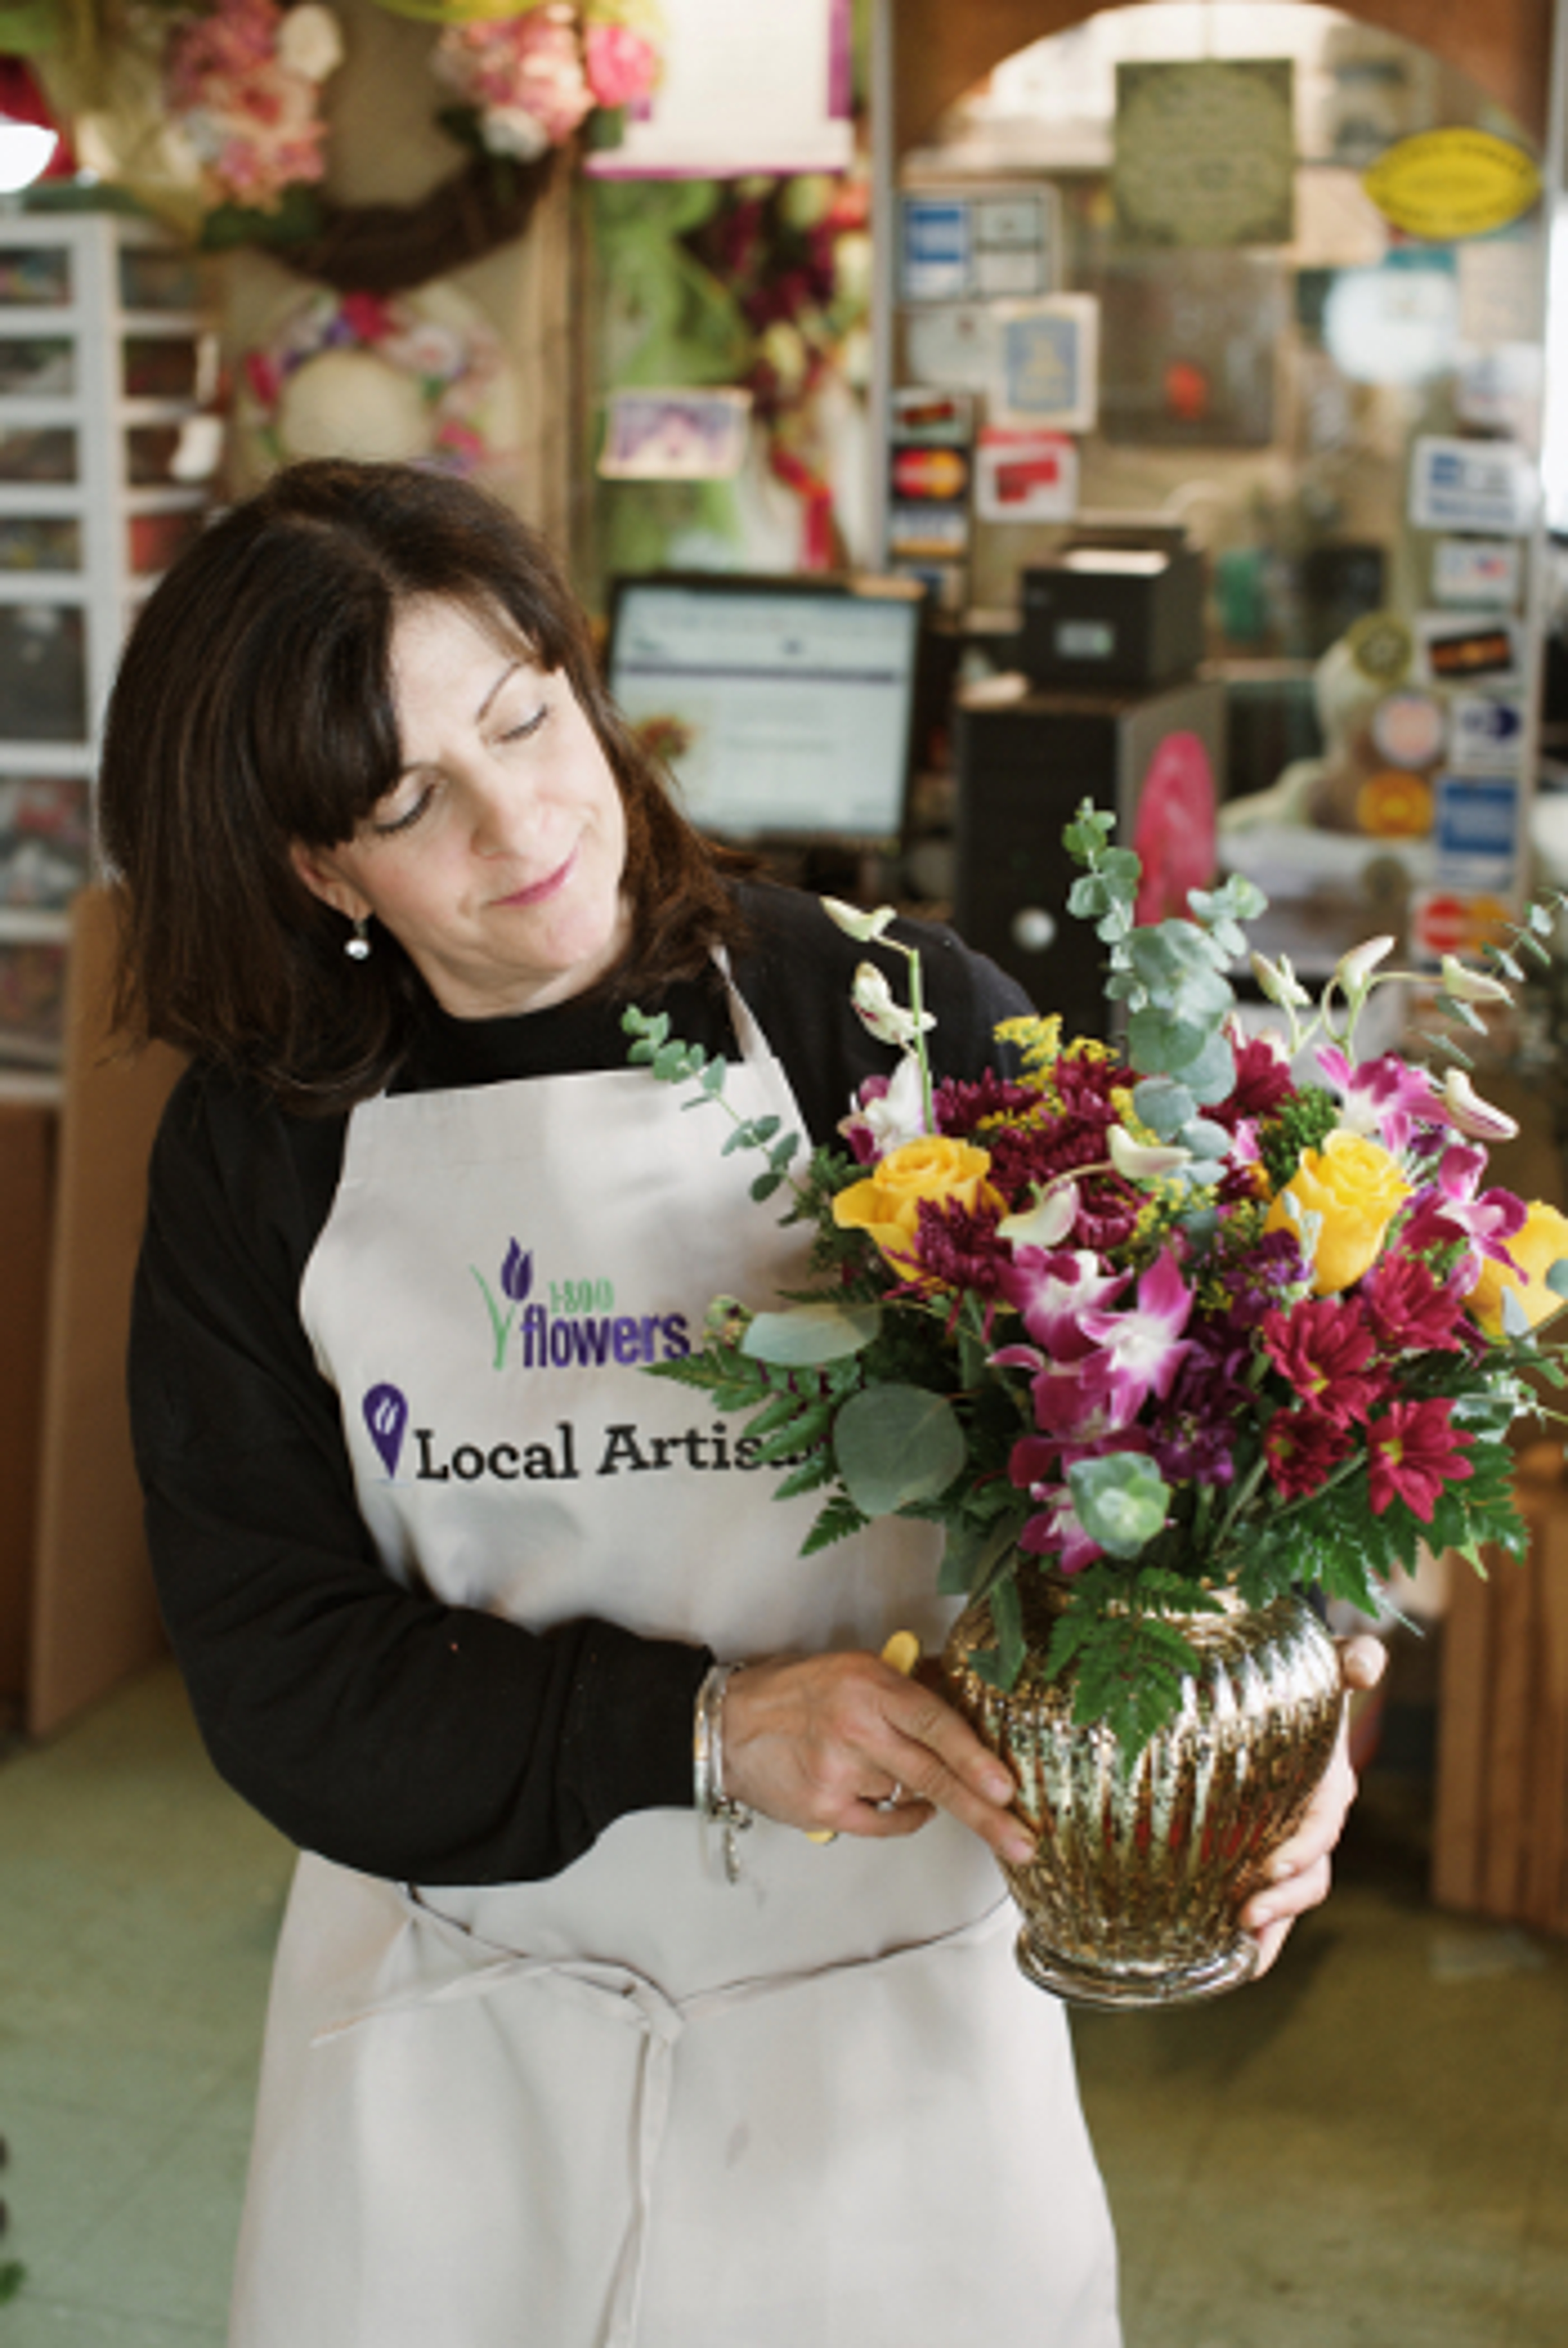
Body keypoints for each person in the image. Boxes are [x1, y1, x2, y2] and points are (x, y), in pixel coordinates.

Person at [100, 459, 1380, 2348]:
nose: (525, 818)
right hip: (463, 2058)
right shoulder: (263, 1152)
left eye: (529, 717)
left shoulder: (894, 1021)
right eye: (405, 801)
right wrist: (705, 1729)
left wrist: (1302, 1710)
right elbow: (277, 1670)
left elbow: (1203, 1431)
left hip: (898, 2053)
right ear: (315, 864)